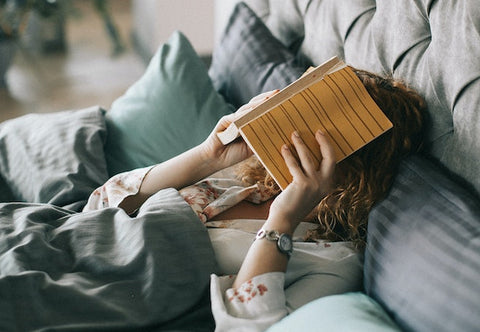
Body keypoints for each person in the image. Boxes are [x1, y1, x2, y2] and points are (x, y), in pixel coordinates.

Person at [84, 68, 426, 331]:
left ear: (357, 165)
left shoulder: (334, 263)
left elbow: (247, 326)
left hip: (99, 297)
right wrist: (206, 156)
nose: (294, 132)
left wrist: (283, 220)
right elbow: (103, 202)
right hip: (70, 243)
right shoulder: (248, 180)